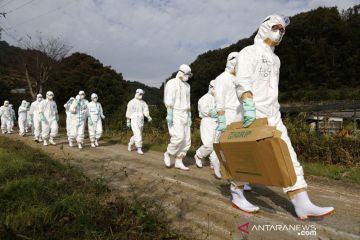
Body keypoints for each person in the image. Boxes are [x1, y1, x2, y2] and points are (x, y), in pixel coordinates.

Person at [232, 14, 334, 219]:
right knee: (248, 158)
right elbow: (242, 80)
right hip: (253, 112)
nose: (279, 33)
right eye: (275, 28)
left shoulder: (276, 59)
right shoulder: (248, 52)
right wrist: (248, 104)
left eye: (282, 30)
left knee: (287, 154)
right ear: (264, 27)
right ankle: (237, 192)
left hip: (273, 113)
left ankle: (301, 201)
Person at [214, 52, 252, 188]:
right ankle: (234, 180)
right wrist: (221, 119)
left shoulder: (240, 79)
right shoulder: (221, 79)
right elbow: (219, 101)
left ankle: (243, 178)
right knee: (230, 152)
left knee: (241, 150)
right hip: (229, 117)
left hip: (241, 118)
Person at [163, 64, 192, 170]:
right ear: (181, 72)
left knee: (186, 140)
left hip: (185, 113)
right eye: (187, 74)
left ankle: (179, 161)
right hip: (175, 112)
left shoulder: (187, 86)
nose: (188, 76)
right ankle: (168, 153)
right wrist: (169, 113)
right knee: (178, 137)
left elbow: (188, 101)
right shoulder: (171, 83)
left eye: (189, 74)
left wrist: (189, 115)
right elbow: (169, 98)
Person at [194, 80, 219, 170]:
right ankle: (199, 155)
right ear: (211, 87)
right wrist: (217, 112)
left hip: (217, 122)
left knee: (216, 143)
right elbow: (205, 112)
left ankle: (213, 161)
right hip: (207, 122)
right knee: (208, 144)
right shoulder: (204, 98)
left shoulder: (218, 98)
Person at [126, 89, 152, 154]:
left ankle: (130, 144)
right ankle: (139, 148)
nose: (141, 95)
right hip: (134, 119)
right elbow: (129, 111)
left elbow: (145, 110)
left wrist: (148, 116)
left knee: (137, 134)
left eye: (142, 94)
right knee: (138, 134)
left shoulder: (143, 102)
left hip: (141, 120)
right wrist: (128, 120)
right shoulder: (131, 102)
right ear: (136, 93)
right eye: (140, 94)